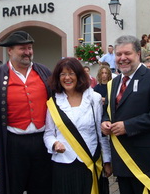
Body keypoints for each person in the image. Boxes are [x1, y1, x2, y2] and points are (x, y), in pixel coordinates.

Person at [101, 35, 150, 194]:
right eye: (119, 54)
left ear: (138, 54)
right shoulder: (113, 83)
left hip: (146, 159)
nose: (122, 58)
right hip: (122, 158)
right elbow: (109, 111)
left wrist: (128, 126)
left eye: (127, 53)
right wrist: (105, 121)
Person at [0, 31, 52, 194]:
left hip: (43, 143)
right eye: (22, 48)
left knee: (43, 188)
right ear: (9, 51)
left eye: (30, 48)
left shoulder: (44, 72)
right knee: (13, 189)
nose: (28, 52)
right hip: (13, 145)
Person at [44, 57, 112, 194]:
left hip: (90, 161)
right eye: (62, 74)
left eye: (71, 73)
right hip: (63, 164)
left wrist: (107, 160)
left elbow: (101, 133)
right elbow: (48, 133)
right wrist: (54, 144)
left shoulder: (94, 98)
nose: (67, 78)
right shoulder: (53, 102)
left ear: (79, 75)